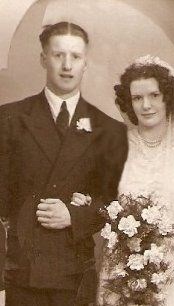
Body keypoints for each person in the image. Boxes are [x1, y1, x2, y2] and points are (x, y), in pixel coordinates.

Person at [72, 55, 174, 306]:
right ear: (128, 102)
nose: (146, 105)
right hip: (123, 263)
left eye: (154, 95)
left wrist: (155, 225)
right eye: (137, 98)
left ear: (167, 97)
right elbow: (105, 201)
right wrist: (91, 204)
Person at [0, 22, 128, 306]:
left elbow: (116, 202)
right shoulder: (9, 119)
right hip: (21, 271)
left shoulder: (108, 130)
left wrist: (75, 216)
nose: (67, 65)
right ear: (43, 59)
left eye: (75, 57)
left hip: (74, 274)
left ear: (86, 63)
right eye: (58, 55)